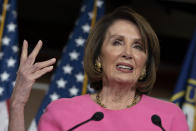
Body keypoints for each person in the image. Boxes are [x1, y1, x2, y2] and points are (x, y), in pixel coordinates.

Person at [8, 7, 189, 131]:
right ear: (99, 57)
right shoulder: (62, 113)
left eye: (138, 46)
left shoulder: (167, 118)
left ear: (145, 64)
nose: (128, 53)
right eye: (117, 42)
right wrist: (17, 104)